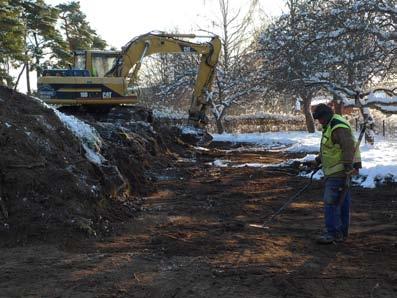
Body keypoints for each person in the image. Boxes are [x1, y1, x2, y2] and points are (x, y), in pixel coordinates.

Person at [311, 104, 361, 244]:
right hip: (336, 171)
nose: (319, 122)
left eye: (320, 118)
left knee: (331, 203)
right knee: (341, 202)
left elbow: (348, 147)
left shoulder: (338, 126)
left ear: (327, 115)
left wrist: (347, 166)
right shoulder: (331, 125)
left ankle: (332, 233)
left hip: (338, 172)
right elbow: (330, 147)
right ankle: (341, 233)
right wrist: (318, 160)